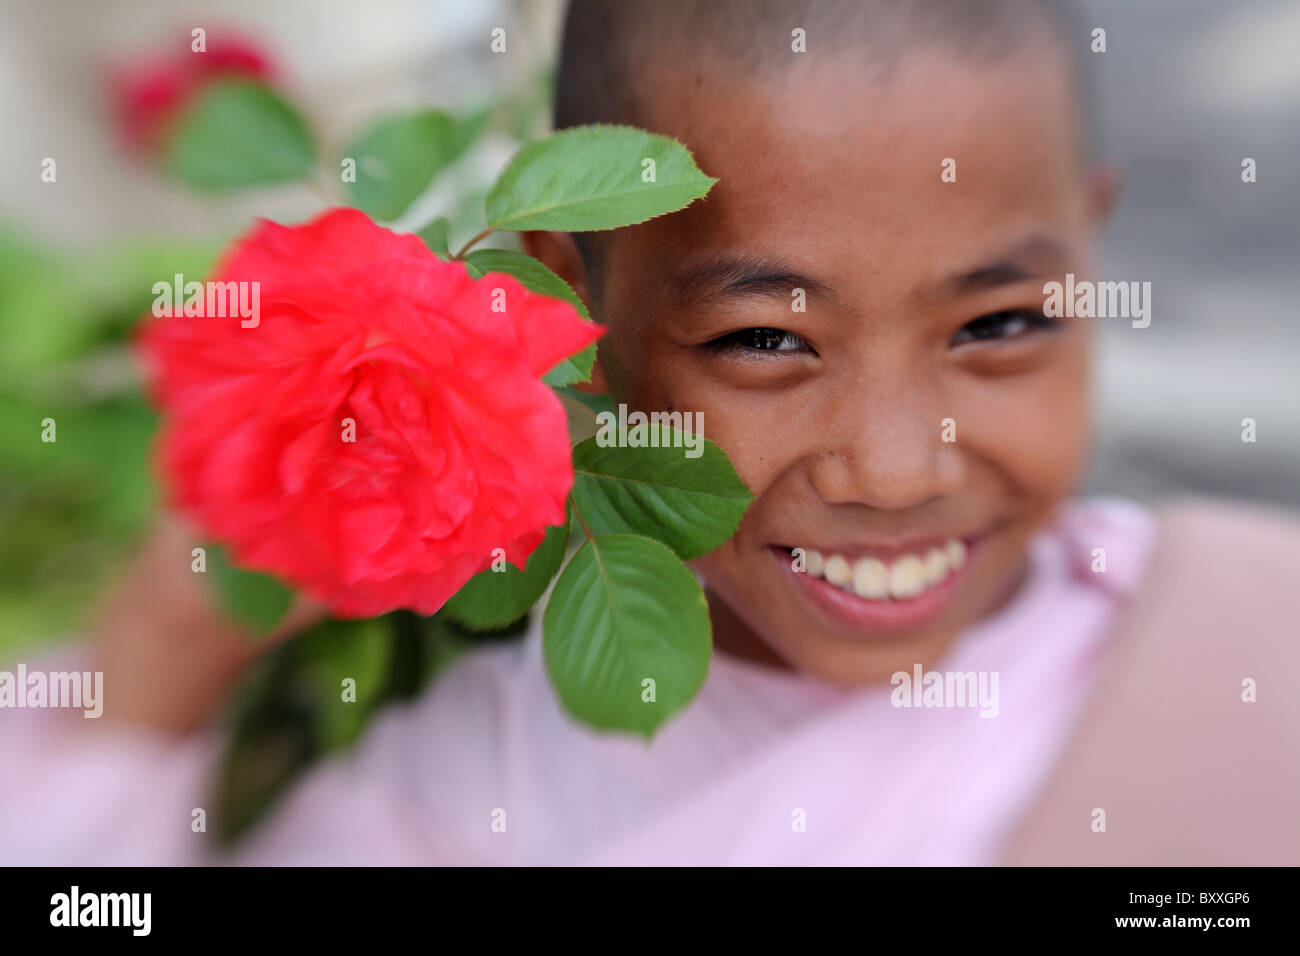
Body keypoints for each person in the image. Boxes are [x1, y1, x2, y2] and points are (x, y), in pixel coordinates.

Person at [2, 0, 1297, 865]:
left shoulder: (1251, 640)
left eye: (1000, 325)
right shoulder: (476, 786)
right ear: (578, 300)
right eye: (764, 342)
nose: (897, 468)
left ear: (1091, 242)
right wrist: (167, 651)